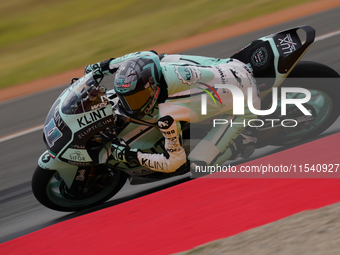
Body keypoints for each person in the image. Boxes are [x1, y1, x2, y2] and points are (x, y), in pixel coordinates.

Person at [84, 50, 260, 174]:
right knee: (163, 58)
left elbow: (174, 162)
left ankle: (243, 140)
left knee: (197, 166)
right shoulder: (151, 62)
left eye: (135, 98)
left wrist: (129, 155)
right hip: (233, 66)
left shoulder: (167, 116)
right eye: (126, 98)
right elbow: (138, 57)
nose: (129, 105)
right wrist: (97, 69)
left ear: (151, 88)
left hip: (245, 102)